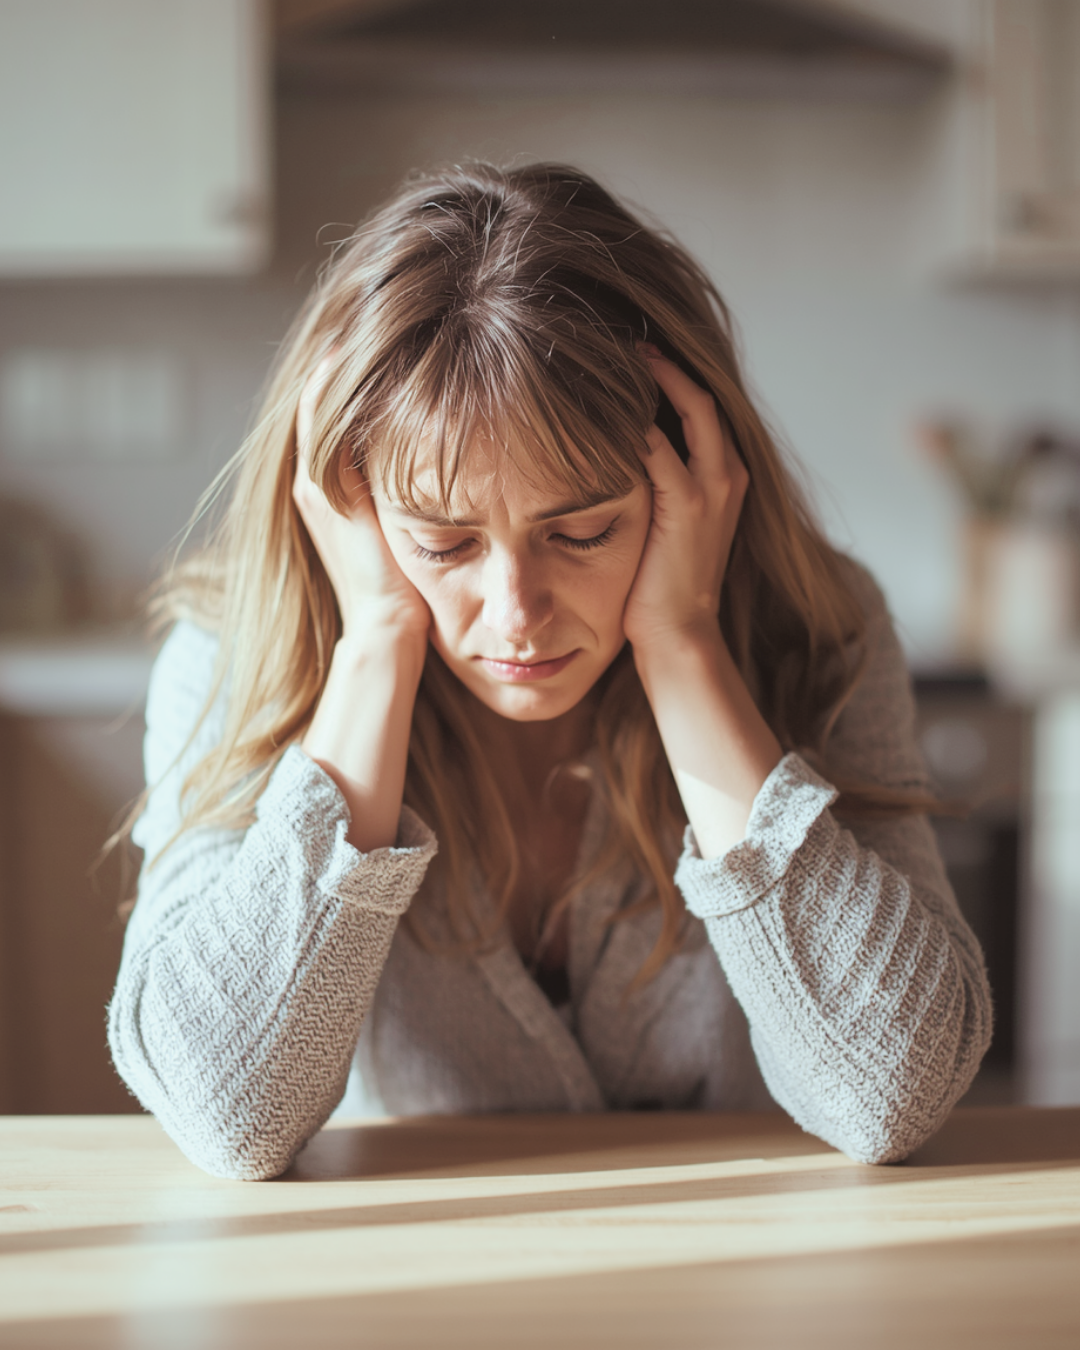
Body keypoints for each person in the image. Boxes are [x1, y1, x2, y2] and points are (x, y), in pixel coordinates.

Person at [107, 162, 992, 1181]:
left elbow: (896, 1095)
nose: (516, 613)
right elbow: (229, 1113)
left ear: (689, 482)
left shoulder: (821, 634)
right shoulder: (235, 654)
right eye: (442, 544)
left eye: (582, 532)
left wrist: (685, 648)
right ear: (342, 507)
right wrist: (377, 644)